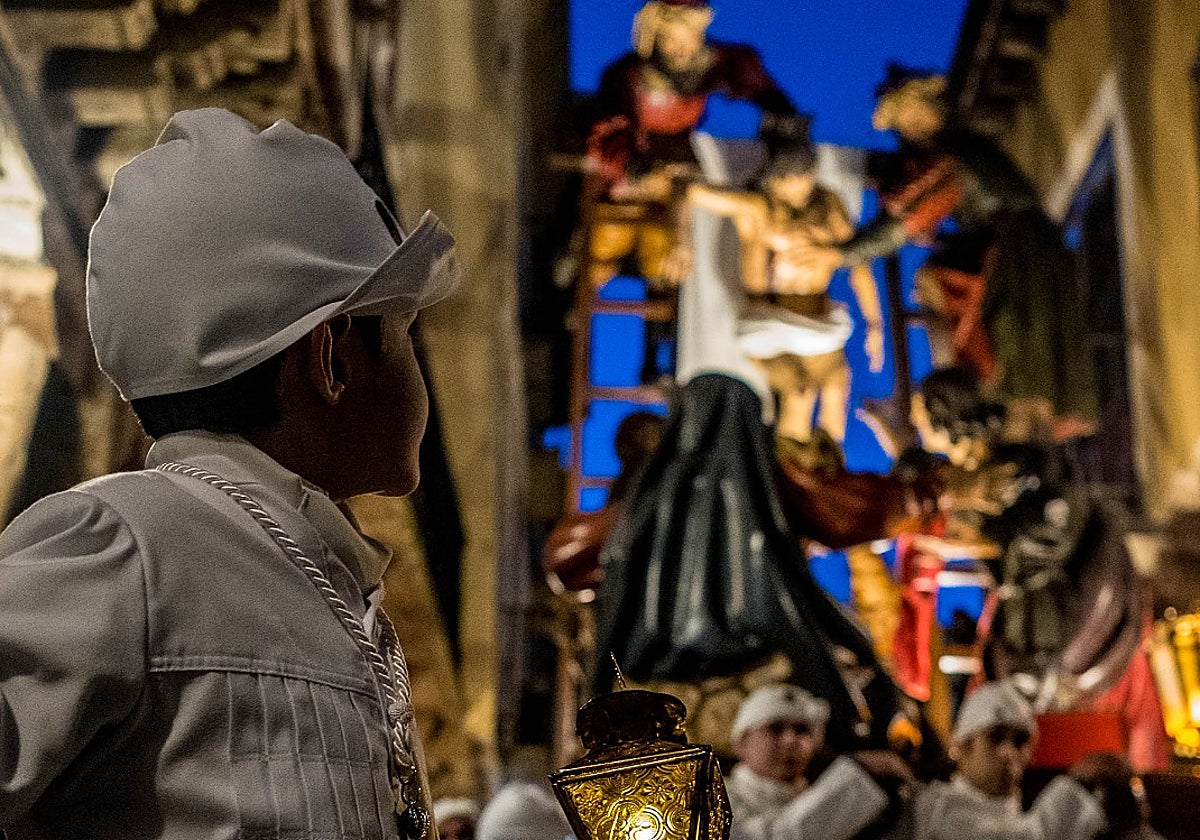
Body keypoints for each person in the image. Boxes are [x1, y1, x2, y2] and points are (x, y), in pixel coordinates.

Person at [0, 108, 460, 839]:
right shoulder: (128, 543)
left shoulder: (315, 571)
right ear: (334, 360)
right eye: (403, 331)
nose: (413, 363)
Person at [801, 66, 1097, 442]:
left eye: (907, 116)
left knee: (1008, 335)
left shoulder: (956, 156)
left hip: (1018, 256)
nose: (905, 129)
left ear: (928, 109)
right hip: (1012, 249)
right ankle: (969, 389)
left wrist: (841, 254)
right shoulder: (954, 152)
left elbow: (909, 218)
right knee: (953, 295)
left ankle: (966, 388)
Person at [682, 125, 884, 445]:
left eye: (807, 178)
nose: (802, 188)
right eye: (794, 180)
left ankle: (832, 475)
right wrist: (682, 241)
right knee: (799, 393)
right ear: (775, 180)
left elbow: (858, 262)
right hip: (769, 323)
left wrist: (875, 323)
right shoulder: (758, 209)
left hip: (818, 319)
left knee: (836, 385)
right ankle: (791, 479)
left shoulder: (828, 206)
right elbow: (694, 193)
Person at [581, 0, 798, 288]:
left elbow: (750, 78)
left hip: (675, 175)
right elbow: (609, 134)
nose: (682, 48)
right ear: (657, 39)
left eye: (690, 39)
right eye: (672, 40)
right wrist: (632, 168)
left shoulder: (710, 66)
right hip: (628, 177)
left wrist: (781, 114)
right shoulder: (628, 77)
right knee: (603, 248)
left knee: (664, 262)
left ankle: (663, 302)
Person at [913, 681, 1105, 840]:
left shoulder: (1024, 814)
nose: (1008, 752)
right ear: (964, 746)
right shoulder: (935, 810)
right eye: (995, 738)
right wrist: (1075, 787)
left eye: (1020, 741)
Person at [725, 684, 915, 840]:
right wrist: (860, 770)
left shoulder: (815, 793)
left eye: (801, 730)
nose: (790, 740)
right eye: (775, 729)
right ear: (741, 743)